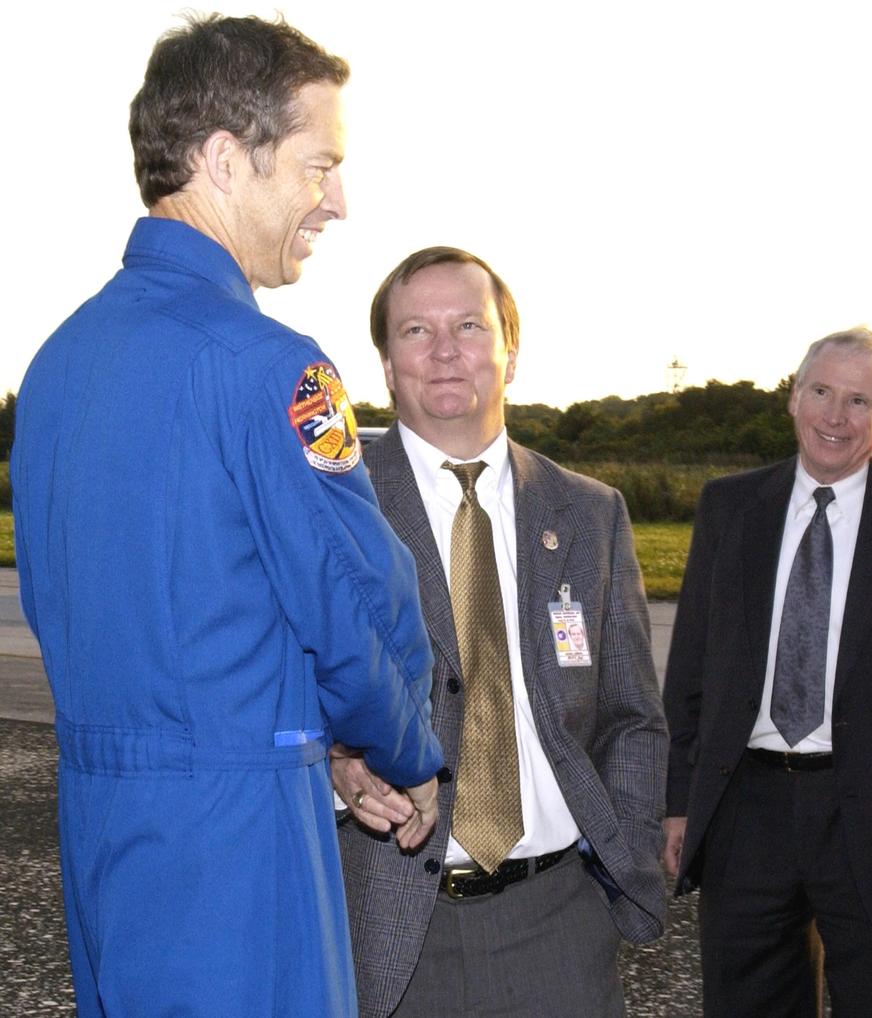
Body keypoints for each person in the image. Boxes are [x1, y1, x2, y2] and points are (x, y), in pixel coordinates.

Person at [11, 16, 444, 1017]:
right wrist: (402, 745)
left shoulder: (57, 365)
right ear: (223, 158)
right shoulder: (274, 367)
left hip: (104, 833)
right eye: (318, 164)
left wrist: (318, 741)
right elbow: (349, 598)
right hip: (240, 843)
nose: (336, 200)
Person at [331, 247, 667, 1018]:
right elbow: (278, 689)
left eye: (470, 327)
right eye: (416, 329)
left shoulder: (588, 513)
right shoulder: (334, 510)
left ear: (510, 353)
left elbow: (633, 716)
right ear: (386, 363)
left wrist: (626, 857)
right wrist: (337, 764)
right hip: (382, 923)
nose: (445, 350)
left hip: (558, 925)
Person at [663, 327, 872, 1017]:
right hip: (745, 813)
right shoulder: (729, 508)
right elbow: (691, 664)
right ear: (793, 396)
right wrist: (678, 801)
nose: (835, 416)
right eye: (821, 392)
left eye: (858, 400)